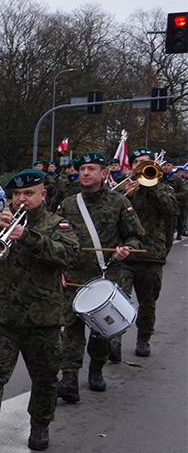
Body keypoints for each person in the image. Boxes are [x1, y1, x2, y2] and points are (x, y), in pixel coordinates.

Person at [0, 169, 78, 453]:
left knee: (45, 379)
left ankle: (40, 425)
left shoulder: (56, 224)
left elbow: (68, 255)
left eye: (28, 194)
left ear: (42, 195)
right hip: (0, 315)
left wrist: (28, 237)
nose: (21, 199)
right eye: (17, 195)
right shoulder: (2, 220)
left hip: (43, 318)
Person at [56, 151, 144, 402]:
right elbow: (56, 237)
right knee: (70, 329)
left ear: (104, 173)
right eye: (82, 169)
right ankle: (69, 377)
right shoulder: (69, 203)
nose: (85, 173)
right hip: (73, 275)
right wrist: (58, 268)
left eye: (91, 169)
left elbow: (137, 237)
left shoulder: (118, 202)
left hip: (106, 276)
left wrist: (125, 249)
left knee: (101, 330)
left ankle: (95, 369)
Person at [109, 148, 180, 358]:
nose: (140, 166)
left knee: (147, 301)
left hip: (151, 253)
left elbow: (171, 209)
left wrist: (151, 185)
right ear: (130, 166)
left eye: (145, 163)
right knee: (119, 298)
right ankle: (115, 341)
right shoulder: (121, 189)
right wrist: (126, 195)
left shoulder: (163, 188)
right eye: (136, 162)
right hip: (124, 253)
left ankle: (143, 338)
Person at [161, 159, 188, 239]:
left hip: (175, 206)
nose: (165, 167)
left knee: (178, 221)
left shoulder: (177, 179)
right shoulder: (159, 178)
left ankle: (179, 232)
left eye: (168, 165)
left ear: (172, 167)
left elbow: (185, 192)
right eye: (164, 165)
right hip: (161, 205)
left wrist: (172, 196)